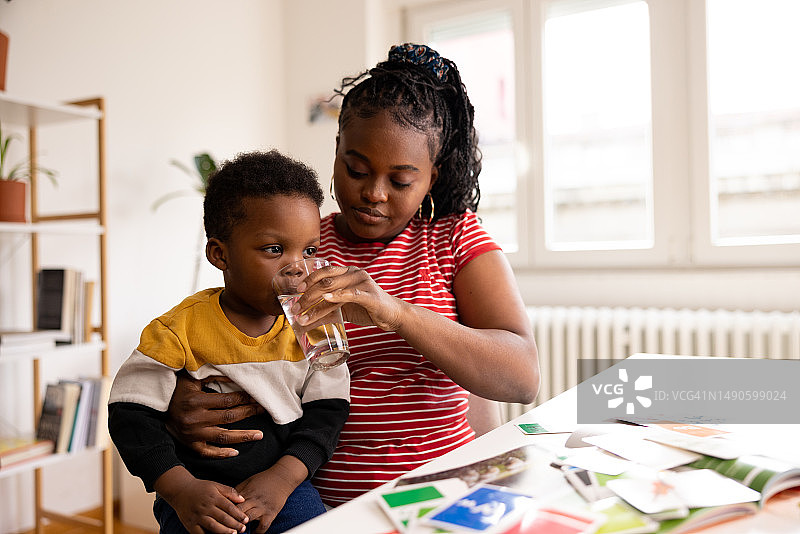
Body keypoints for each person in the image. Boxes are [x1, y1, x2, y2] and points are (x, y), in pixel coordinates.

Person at [165, 43, 540, 507]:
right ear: (337, 149)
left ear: (432, 177)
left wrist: (396, 313)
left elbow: (523, 378)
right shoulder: (297, 249)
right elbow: (229, 344)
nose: (374, 194)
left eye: (401, 180)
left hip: (440, 495)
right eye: (356, 169)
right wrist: (178, 402)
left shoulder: (452, 237)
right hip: (319, 505)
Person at [108, 150, 350, 534]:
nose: (297, 269)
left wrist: (283, 478)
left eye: (309, 251)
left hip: (284, 487)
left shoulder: (312, 327)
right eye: (274, 250)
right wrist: (180, 488)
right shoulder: (178, 330)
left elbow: (328, 413)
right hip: (195, 491)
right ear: (220, 254)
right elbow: (130, 416)